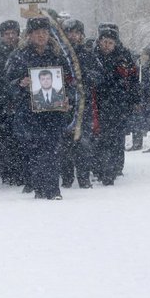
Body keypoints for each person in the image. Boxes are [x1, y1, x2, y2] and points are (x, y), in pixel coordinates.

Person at [6, 17, 72, 199]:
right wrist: (20, 83)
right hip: (29, 113)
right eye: (37, 33)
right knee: (35, 151)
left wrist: (67, 99)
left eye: (44, 32)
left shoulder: (59, 54)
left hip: (54, 113)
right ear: (29, 35)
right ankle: (40, 188)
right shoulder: (19, 56)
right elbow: (7, 84)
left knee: (53, 150)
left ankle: (53, 189)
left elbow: (70, 81)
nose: (41, 36)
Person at [93, 25, 138, 181]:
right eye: (104, 42)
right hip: (98, 104)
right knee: (99, 138)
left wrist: (134, 99)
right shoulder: (93, 57)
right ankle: (99, 167)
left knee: (116, 138)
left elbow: (133, 80)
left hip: (118, 104)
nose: (106, 45)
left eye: (110, 43)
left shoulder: (124, 57)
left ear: (115, 43)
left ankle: (115, 166)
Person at [60, 19, 101, 188]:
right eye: (69, 32)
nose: (73, 36)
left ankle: (84, 177)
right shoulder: (59, 54)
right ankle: (67, 177)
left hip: (84, 105)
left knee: (83, 143)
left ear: (81, 35)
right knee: (64, 144)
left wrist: (84, 76)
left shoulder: (88, 54)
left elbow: (99, 75)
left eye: (76, 32)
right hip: (63, 105)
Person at [0, 20, 24, 185]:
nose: (10, 36)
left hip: (19, 99)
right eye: (7, 33)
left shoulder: (23, 50)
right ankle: (6, 172)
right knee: (3, 139)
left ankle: (19, 171)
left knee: (19, 139)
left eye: (13, 33)